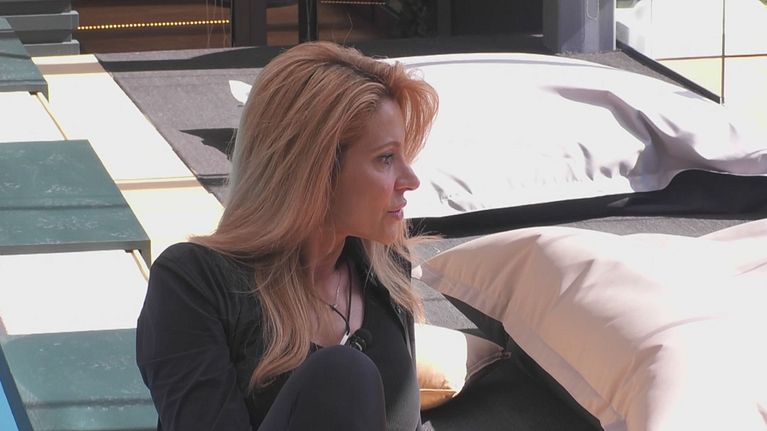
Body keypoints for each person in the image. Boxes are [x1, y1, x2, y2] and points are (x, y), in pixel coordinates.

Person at [136, 41, 439, 430]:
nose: (410, 180)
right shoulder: (192, 284)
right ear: (315, 169)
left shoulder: (387, 270)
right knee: (343, 375)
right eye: (386, 158)